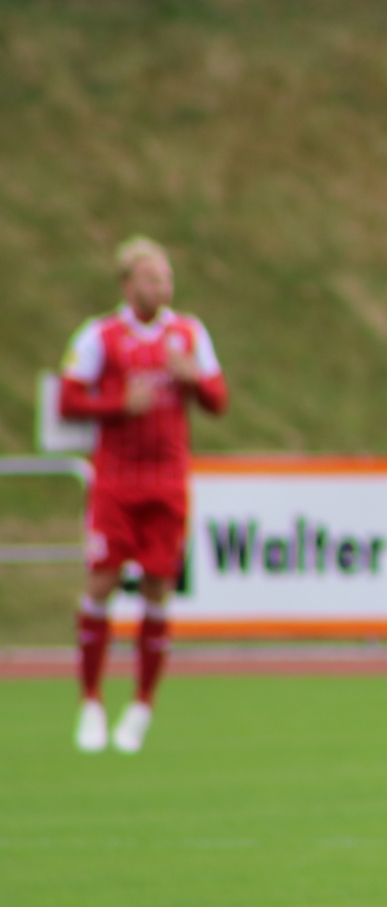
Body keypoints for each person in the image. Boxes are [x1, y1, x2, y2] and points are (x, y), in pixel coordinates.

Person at [59, 237, 228, 754]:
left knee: (158, 589)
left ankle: (141, 705)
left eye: (168, 278)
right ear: (128, 284)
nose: (164, 287)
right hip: (116, 482)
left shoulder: (189, 334)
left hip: (167, 482)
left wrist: (193, 379)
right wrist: (117, 404)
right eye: (153, 278)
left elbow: (218, 401)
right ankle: (91, 701)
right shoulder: (100, 336)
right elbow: (68, 401)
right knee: (102, 582)